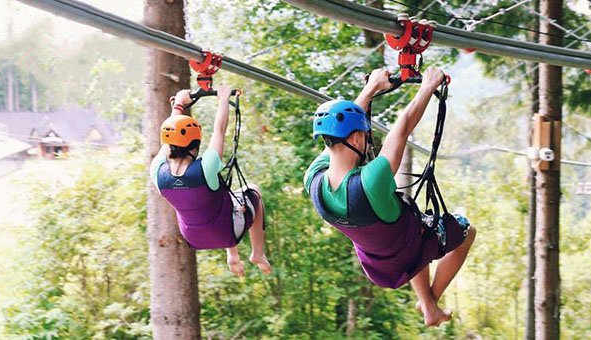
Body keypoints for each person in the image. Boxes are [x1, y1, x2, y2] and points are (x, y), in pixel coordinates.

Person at [304, 67, 476, 327]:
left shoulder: (313, 180)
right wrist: (428, 86)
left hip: (378, 266)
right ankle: (432, 299)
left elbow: (343, 131)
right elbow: (403, 126)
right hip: (407, 250)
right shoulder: (371, 180)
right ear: (358, 137)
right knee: (465, 231)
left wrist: (371, 88)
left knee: (413, 224)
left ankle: (429, 308)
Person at [150, 86, 271, 277]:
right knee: (252, 190)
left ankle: (232, 255)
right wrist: (223, 99)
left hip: (193, 237)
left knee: (218, 201)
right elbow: (219, 131)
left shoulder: (157, 173)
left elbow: (169, 137)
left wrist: (179, 105)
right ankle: (257, 253)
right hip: (225, 232)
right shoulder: (206, 168)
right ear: (196, 144)